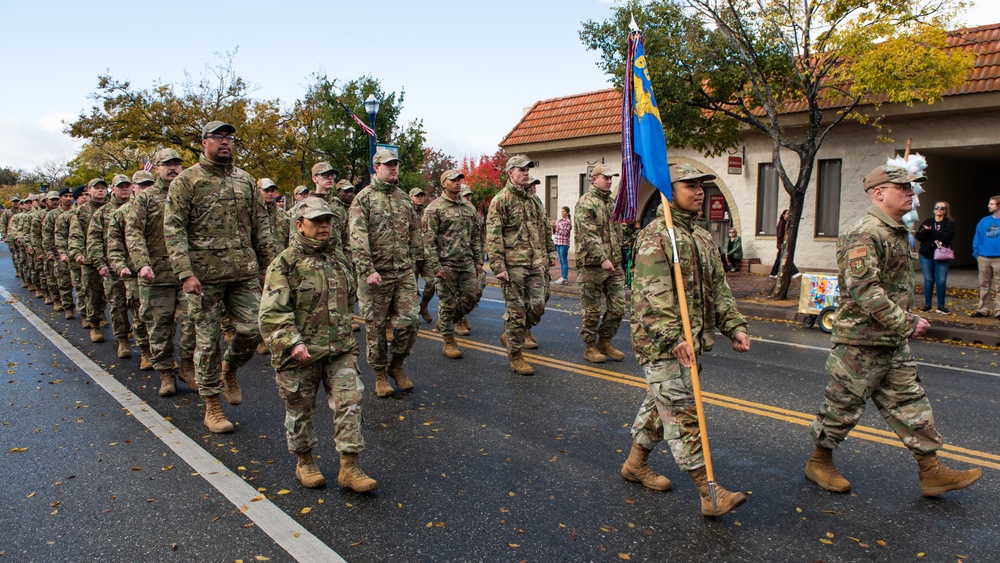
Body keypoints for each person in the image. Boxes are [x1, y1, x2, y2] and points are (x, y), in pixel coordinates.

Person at [805, 164, 982, 498]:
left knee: (912, 403)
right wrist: (907, 322)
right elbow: (864, 290)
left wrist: (901, 327)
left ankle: (930, 471)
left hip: (889, 341)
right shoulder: (865, 232)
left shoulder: (897, 231)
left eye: (911, 187)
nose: (911, 193)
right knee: (841, 408)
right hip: (860, 342)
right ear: (879, 193)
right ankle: (819, 461)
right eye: (903, 187)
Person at [623, 163, 751, 517]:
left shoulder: (702, 236)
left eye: (701, 186)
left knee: (659, 406)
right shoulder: (655, 236)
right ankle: (709, 492)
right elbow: (651, 295)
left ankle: (635, 464)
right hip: (663, 345)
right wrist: (673, 336)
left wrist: (734, 326)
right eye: (690, 185)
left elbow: (719, 290)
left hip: (689, 343)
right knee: (681, 413)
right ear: (670, 192)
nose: (699, 192)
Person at [164, 120, 275, 433]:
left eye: (229, 137)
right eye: (218, 137)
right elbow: (174, 229)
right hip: (204, 277)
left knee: (255, 329)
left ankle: (229, 369)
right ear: (204, 142)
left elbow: (261, 228)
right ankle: (212, 406)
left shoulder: (246, 181)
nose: (225, 142)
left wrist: (270, 267)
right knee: (208, 342)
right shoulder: (187, 181)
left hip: (243, 272)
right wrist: (185, 272)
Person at [259, 197, 376, 493]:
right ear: (299, 225)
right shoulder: (285, 263)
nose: (324, 225)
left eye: (328, 220)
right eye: (316, 221)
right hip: (300, 353)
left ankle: (350, 466)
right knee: (300, 409)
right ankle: (304, 461)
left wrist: (345, 335)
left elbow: (348, 302)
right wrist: (293, 342)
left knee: (351, 401)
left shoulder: (338, 260)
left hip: (339, 349)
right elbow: (272, 313)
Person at [349, 147, 422, 398]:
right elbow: (357, 238)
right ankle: (380, 373)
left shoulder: (404, 199)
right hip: (375, 275)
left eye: (396, 165)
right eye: (388, 165)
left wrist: (413, 262)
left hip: (402, 272)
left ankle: (397, 365)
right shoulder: (364, 199)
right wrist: (367, 269)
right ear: (376, 168)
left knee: (410, 322)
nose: (393, 168)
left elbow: (415, 234)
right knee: (376, 328)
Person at [127, 148, 198, 396]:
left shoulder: (190, 194)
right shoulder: (145, 200)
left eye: (177, 163)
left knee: (193, 323)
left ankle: (187, 366)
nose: (173, 168)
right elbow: (134, 234)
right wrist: (141, 263)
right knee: (159, 328)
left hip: (187, 274)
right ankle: (166, 373)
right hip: (155, 276)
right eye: (167, 164)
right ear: (156, 168)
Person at [486, 155, 556, 376]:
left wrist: (550, 252)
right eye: (522, 169)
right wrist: (498, 266)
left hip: (536, 262)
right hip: (513, 265)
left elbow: (544, 227)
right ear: (510, 173)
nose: (526, 172)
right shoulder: (501, 200)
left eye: (528, 169)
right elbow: (494, 235)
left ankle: (511, 335)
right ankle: (515, 356)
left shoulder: (534, 200)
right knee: (516, 312)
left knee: (538, 305)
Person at [422, 169, 482, 359]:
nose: (457, 182)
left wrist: (478, 260)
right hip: (445, 263)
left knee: (471, 297)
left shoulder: (468, 208)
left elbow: (476, 236)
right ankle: (449, 341)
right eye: (453, 180)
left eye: (459, 179)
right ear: (443, 184)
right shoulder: (434, 208)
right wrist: (435, 266)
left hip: (465, 262)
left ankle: (447, 321)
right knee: (447, 303)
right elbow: (428, 241)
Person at [574, 164, 626, 364]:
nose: (610, 180)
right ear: (594, 179)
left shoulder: (611, 203)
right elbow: (588, 234)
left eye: (611, 177)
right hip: (592, 266)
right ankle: (590, 346)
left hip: (614, 264)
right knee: (592, 310)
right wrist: (602, 258)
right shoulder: (586, 203)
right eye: (606, 177)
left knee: (618, 307)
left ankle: (605, 341)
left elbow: (616, 232)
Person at [106, 171, 154, 371]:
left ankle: (162, 353)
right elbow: (114, 243)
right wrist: (119, 266)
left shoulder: (163, 207)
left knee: (163, 317)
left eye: (149, 184)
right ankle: (146, 352)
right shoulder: (122, 213)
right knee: (140, 312)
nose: (146, 189)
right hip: (134, 271)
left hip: (162, 270)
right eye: (141, 185)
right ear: (135, 187)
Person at [88, 174, 135, 359]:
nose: (124, 189)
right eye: (120, 186)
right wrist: (100, 263)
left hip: (137, 266)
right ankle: (123, 340)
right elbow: (94, 241)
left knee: (141, 307)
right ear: (113, 189)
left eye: (127, 186)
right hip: (113, 266)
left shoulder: (139, 207)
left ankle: (145, 345)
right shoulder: (102, 213)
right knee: (118, 305)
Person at [69, 179, 110, 342]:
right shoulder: (81, 211)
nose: (100, 191)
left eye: (103, 188)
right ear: (89, 191)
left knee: (118, 296)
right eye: (96, 188)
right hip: (89, 259)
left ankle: (122, 327)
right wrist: (77, 252)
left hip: (113, 258)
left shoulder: (114, 208)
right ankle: (94, 325)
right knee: (92, 293)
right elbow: (76, 234)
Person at [914, 201, 956, 314]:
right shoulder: (928, 221)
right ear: (933, 210)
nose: (939, 210)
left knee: (941, 280)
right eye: (936, 207)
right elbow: (919, 236)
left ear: (946, 211)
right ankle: (927, 305)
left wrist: (931, 231)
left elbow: (947, 237)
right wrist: (925, 232)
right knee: (928, 280)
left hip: (942, 255)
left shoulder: (949, 223)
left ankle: (941, 306)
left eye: (942, 208)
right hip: (927, 255)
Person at [410, 187, 436, 324]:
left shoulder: (427, 213)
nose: (420, 198)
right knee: (411, 287)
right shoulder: (407, 212)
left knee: (433, 282)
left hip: (425, 256)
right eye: (417, 196)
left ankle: (423, 306)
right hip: (411, 256)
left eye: (422, 196)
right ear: (411, 197)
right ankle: (413, 312)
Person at [971, 195, 1000, 318]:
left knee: (999, 286)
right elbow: (977, 236)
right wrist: (977, 253)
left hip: (998, 258)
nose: (988, 205)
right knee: (984, 284)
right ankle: (983, 309)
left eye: (992, 204)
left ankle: (998, 311)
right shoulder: (984, 221)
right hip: (983, 257)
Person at [769, 209, 800, 278]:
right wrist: (782, 244)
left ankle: (773, 273)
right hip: (782, 244)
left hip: (784, 244)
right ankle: (794, 272)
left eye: (789, 214)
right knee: (786, 258)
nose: (788, 215)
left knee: (780, 258)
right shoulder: (782, 223)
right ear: (783, 215)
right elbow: (780, 235)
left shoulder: (786, 223)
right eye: (787, 214)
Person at [551, 206, 572, 284]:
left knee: (564, 260)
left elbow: (565, 232)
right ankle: (562, 277)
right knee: (560, 261)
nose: (562, 213)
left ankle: (564, 278)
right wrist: (553, 226)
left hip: (564, 243)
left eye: (563, 211)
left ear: (567, 213)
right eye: (561, 211)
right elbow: (555, 232)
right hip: (558, 242)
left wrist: (556, 226)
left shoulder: (568, 221)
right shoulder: (559, 221)